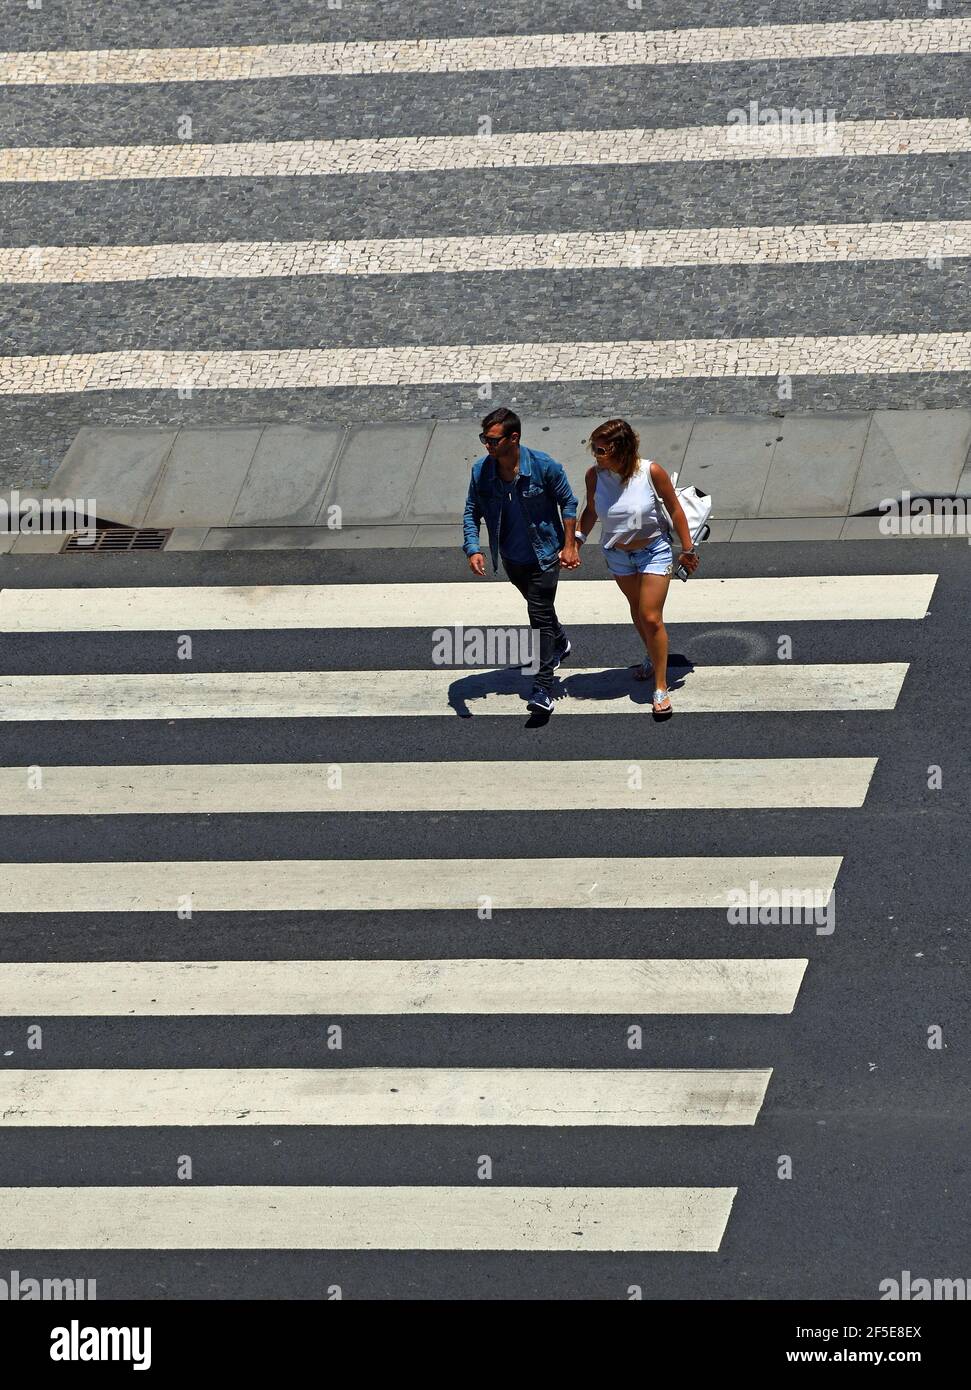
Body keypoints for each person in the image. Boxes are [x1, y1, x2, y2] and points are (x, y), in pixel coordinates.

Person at [575, 418, 699, 714]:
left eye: (602, 450)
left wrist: (688, 548)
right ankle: (652, 655)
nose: (596, 455)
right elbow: (591, 511)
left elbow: (674, 508)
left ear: (622, 450)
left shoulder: (650, 472)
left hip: (653, 550)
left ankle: (660, 684)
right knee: (637, 609)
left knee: (650, 616)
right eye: (594, 448)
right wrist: (576, 540)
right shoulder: (594, 476)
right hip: (618, 554)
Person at [462, 407, 580, 713]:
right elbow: (471, 509)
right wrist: (473, 547)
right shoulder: (481, 471)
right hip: (511, 558)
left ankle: (543, 688)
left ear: (513, 438)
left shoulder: (543, 466)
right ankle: (561, 641)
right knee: (539, 609)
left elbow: (568, 501)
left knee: (537, 615)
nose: (487, 445)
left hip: (545, 556)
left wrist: (570, 545)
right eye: (484, 439)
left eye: (492, 440)